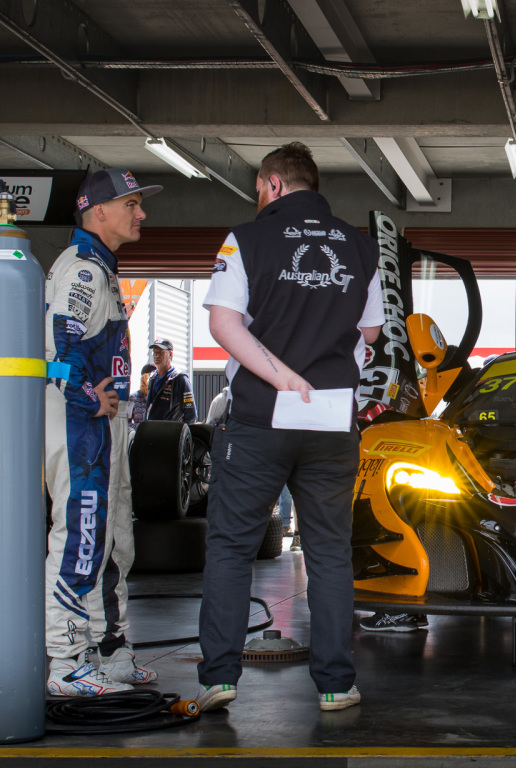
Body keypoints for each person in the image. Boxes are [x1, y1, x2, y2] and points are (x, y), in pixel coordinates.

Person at [196, 142, 383, 713]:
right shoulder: (361, 246)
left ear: (272, 184)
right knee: (328, 551)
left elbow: (223, 325)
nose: (257, 196)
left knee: (232, 547)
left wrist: (282, 376)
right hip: (331, 420)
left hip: (261, 417)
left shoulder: (245, 239)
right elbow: (371, 333)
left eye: (258, 187)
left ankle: (219, 679)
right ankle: (336, 685)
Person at [44, 168, 163, 696]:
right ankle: (66, 660)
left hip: (99, 428)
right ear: (98, 211)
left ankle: (109, 650)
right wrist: (90, 398)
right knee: (80, 537)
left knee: (113, 540)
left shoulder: (101, 268)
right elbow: (54, 351)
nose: (141, 213)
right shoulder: (82, 271)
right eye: (131, 204)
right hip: (78, 426)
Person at [146, 338, 197, 422]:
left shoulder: (180, 378)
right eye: (155, 352)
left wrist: (181, 430)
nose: (157, 356)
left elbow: (191, 414)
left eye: (161, 352)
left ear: (170, 354)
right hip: (153, 428)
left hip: (172, 429)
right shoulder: (152, 378)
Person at [129, 363, 155, 431]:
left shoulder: (160, 398)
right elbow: (126, 423)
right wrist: (141, 428)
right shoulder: (133, 398)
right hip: (138, 435)